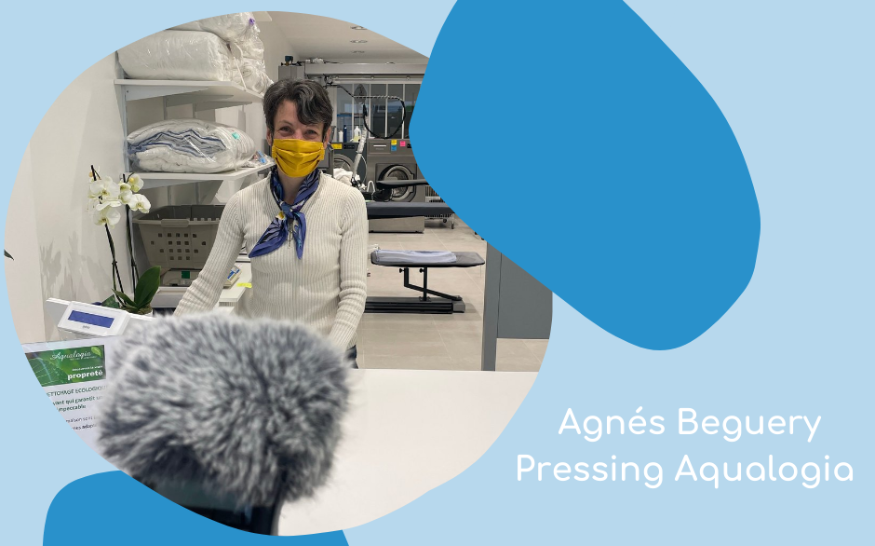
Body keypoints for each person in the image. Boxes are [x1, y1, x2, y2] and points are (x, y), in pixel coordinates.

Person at [174, 79, 368, 366]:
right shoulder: (243, 203)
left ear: (325, 139)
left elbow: (353, 293)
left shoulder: (347, 202)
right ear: (270, 134)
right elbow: (207, 286)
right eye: (286, 130)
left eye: (310, 132)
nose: (298, 141)